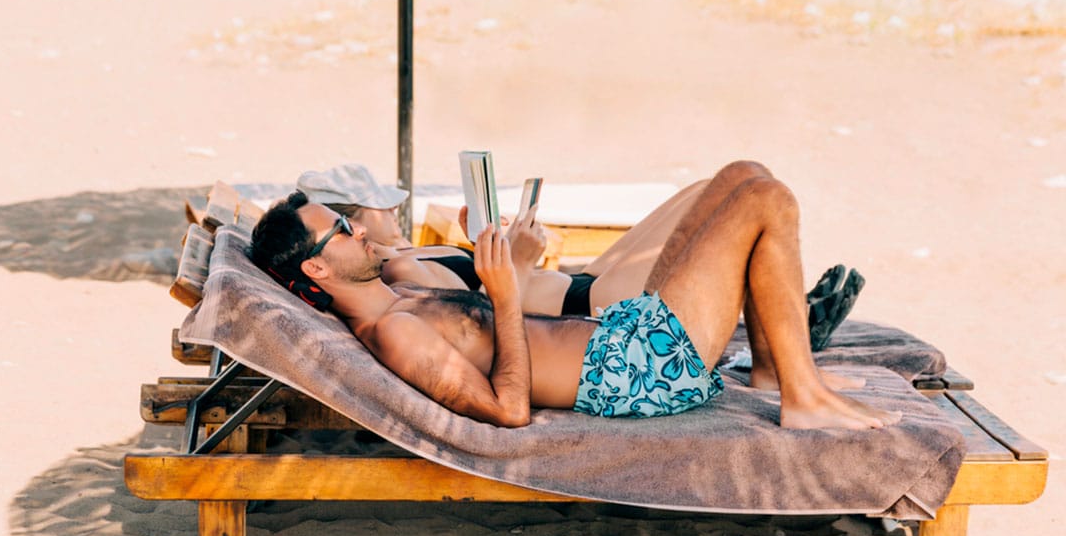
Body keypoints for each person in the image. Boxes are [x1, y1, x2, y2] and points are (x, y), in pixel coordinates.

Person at [249, 160, 899, 430]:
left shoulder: (398, 299)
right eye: (338, 230)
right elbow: (507, 412)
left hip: (626, 333)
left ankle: (772, 372)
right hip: (637, 368)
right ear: (318, 275)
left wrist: (509, 285)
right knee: (764, 199)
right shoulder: (392, 333)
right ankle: (803, 395)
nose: (356, 226)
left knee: (741, 176)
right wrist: (506, 296)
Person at [295, 164, 864, 348]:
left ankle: (781, 321)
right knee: (735, 213)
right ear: (356, 220)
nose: (392, 214)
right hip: (591, 303)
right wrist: (511, 261)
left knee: (729, 179)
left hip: (579, 280)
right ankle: (784, 339)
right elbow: (477, 319)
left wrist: (485, 242)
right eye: (374, 213)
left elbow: (473, 281)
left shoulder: (405, 251)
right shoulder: (393, 272)